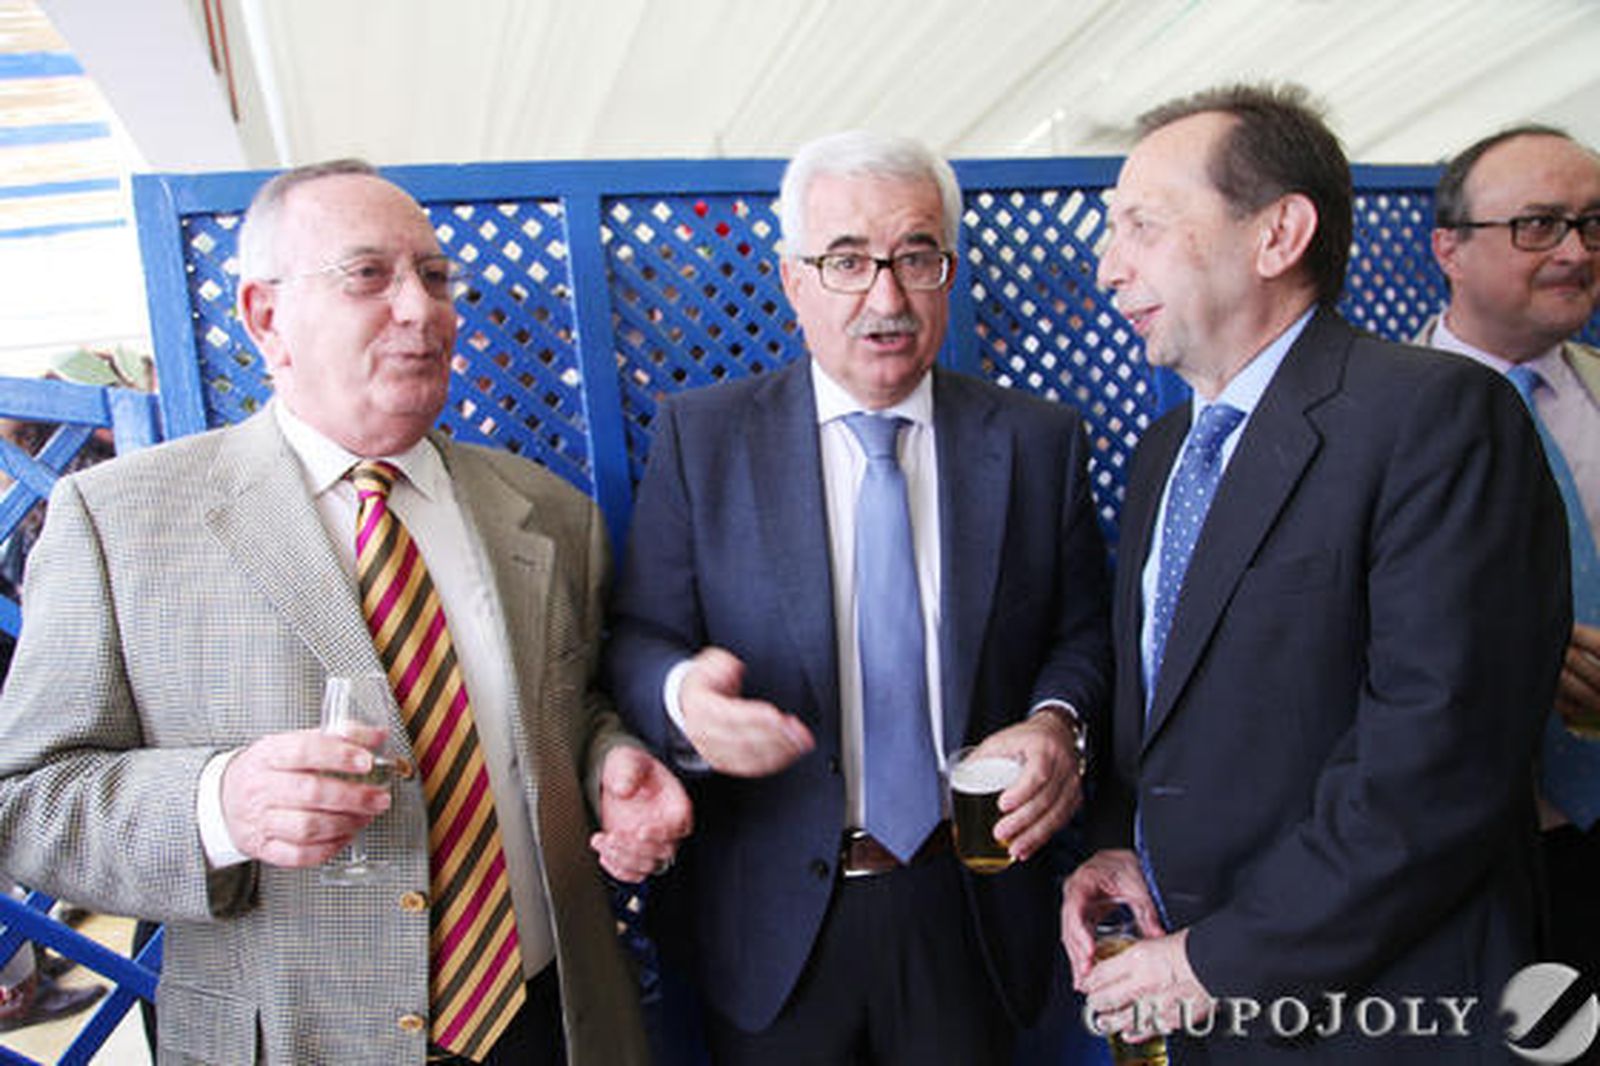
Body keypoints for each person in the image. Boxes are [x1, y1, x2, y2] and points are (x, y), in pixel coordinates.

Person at [0, 159, 690, 1066]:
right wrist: (218, 805)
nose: (423, 309)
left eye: (436, 279)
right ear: (265, 316)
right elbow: (26, 801)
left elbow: (576, 712)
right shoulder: (123, 524)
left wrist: (613, 762)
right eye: (369, 276)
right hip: (289, 1041)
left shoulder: (547, 512)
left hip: (546, 1023)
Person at [1060, 84, 1571, 1064]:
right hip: (1206, 997)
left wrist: (1212, 962)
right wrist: (1127, 845)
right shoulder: (1170, 448)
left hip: (1384, 1011)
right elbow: (1176, 707)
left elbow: (1432, 764)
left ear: (1278, 233)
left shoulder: (1434, 418)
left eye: (1141, 227)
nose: (1108, 269)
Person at [605, 130, 1113, 1066]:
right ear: (794, 280)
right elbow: (637, 636)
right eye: (846, 262)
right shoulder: (703, 439)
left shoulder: (1039, 443)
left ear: (949, 273)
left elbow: (1085, 631)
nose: (886, 298)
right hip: (773, 917)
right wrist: (685, 700)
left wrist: (1055, 721)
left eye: (916, 257)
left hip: (968, 903)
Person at [1419, 125, 1600, 978]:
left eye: (1594, 223)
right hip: (1466, 860)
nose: (1575, 250)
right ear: (1448, 248)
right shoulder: (1377, 428)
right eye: (1538, 224)